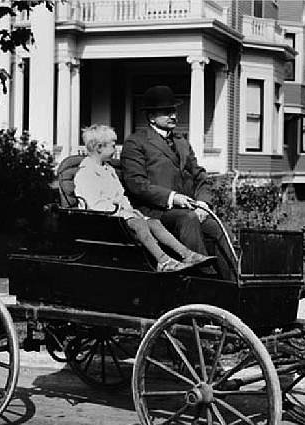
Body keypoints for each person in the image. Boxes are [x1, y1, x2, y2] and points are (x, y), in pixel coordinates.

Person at [121, 85, 237, 281]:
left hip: (189, 210)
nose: (173, 116)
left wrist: (203, 203)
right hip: (154, 211)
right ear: (151, 117)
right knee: (188, 219)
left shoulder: (182, 141)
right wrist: (173, 198)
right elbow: (136, 183)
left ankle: (234, 283)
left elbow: (200, 175)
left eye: (173, 111)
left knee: (218, 228)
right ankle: (204, 281)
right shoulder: (136, 142)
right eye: (167, 112)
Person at [73, 124, 215, 273]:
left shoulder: (109, 170)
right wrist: (123, 212)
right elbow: (97, 205)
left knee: (154, 223)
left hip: (120, 217)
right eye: (113, 146)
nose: (116, 150)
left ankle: (188, 255)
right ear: (99, 148)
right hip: (103, 221)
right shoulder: (86, 173)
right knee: (140, 224)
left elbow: (120, 195)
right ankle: (163, 261)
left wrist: (130, 210)